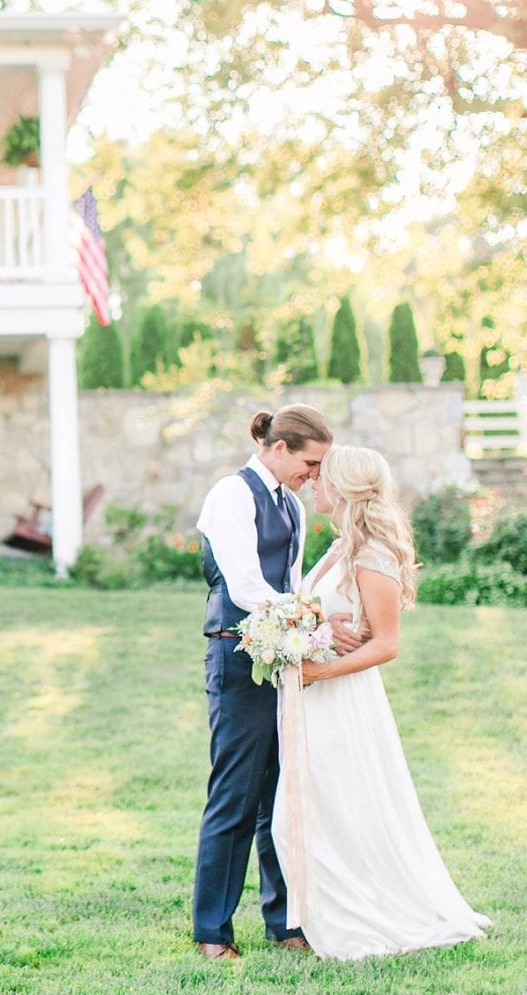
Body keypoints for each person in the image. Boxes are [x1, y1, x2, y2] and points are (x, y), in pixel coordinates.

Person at [272, 445, 491, 960]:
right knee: (310, 812)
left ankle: (360, 915)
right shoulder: (341, 548)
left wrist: (320, 669)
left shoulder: (372, 553)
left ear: (343, 487)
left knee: (334, 810)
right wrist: (311, 629)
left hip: (343, 698)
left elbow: (386, 643)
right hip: (317, 695)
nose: (314, 484)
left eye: (322, 477)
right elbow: (322, 612)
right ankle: (323, 914)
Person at [191, 403, 335, 959]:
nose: (314, 475)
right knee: (235, 793)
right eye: (309, 462)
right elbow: (248, 588)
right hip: (236, 655)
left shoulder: (292, 505)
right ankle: (212, 931)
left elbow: (291, 581)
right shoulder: (231, 494)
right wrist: (312, 617)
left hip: (281, 656)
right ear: (278, 449)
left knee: (280, 795)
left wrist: (308, 620)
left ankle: (285, 921)